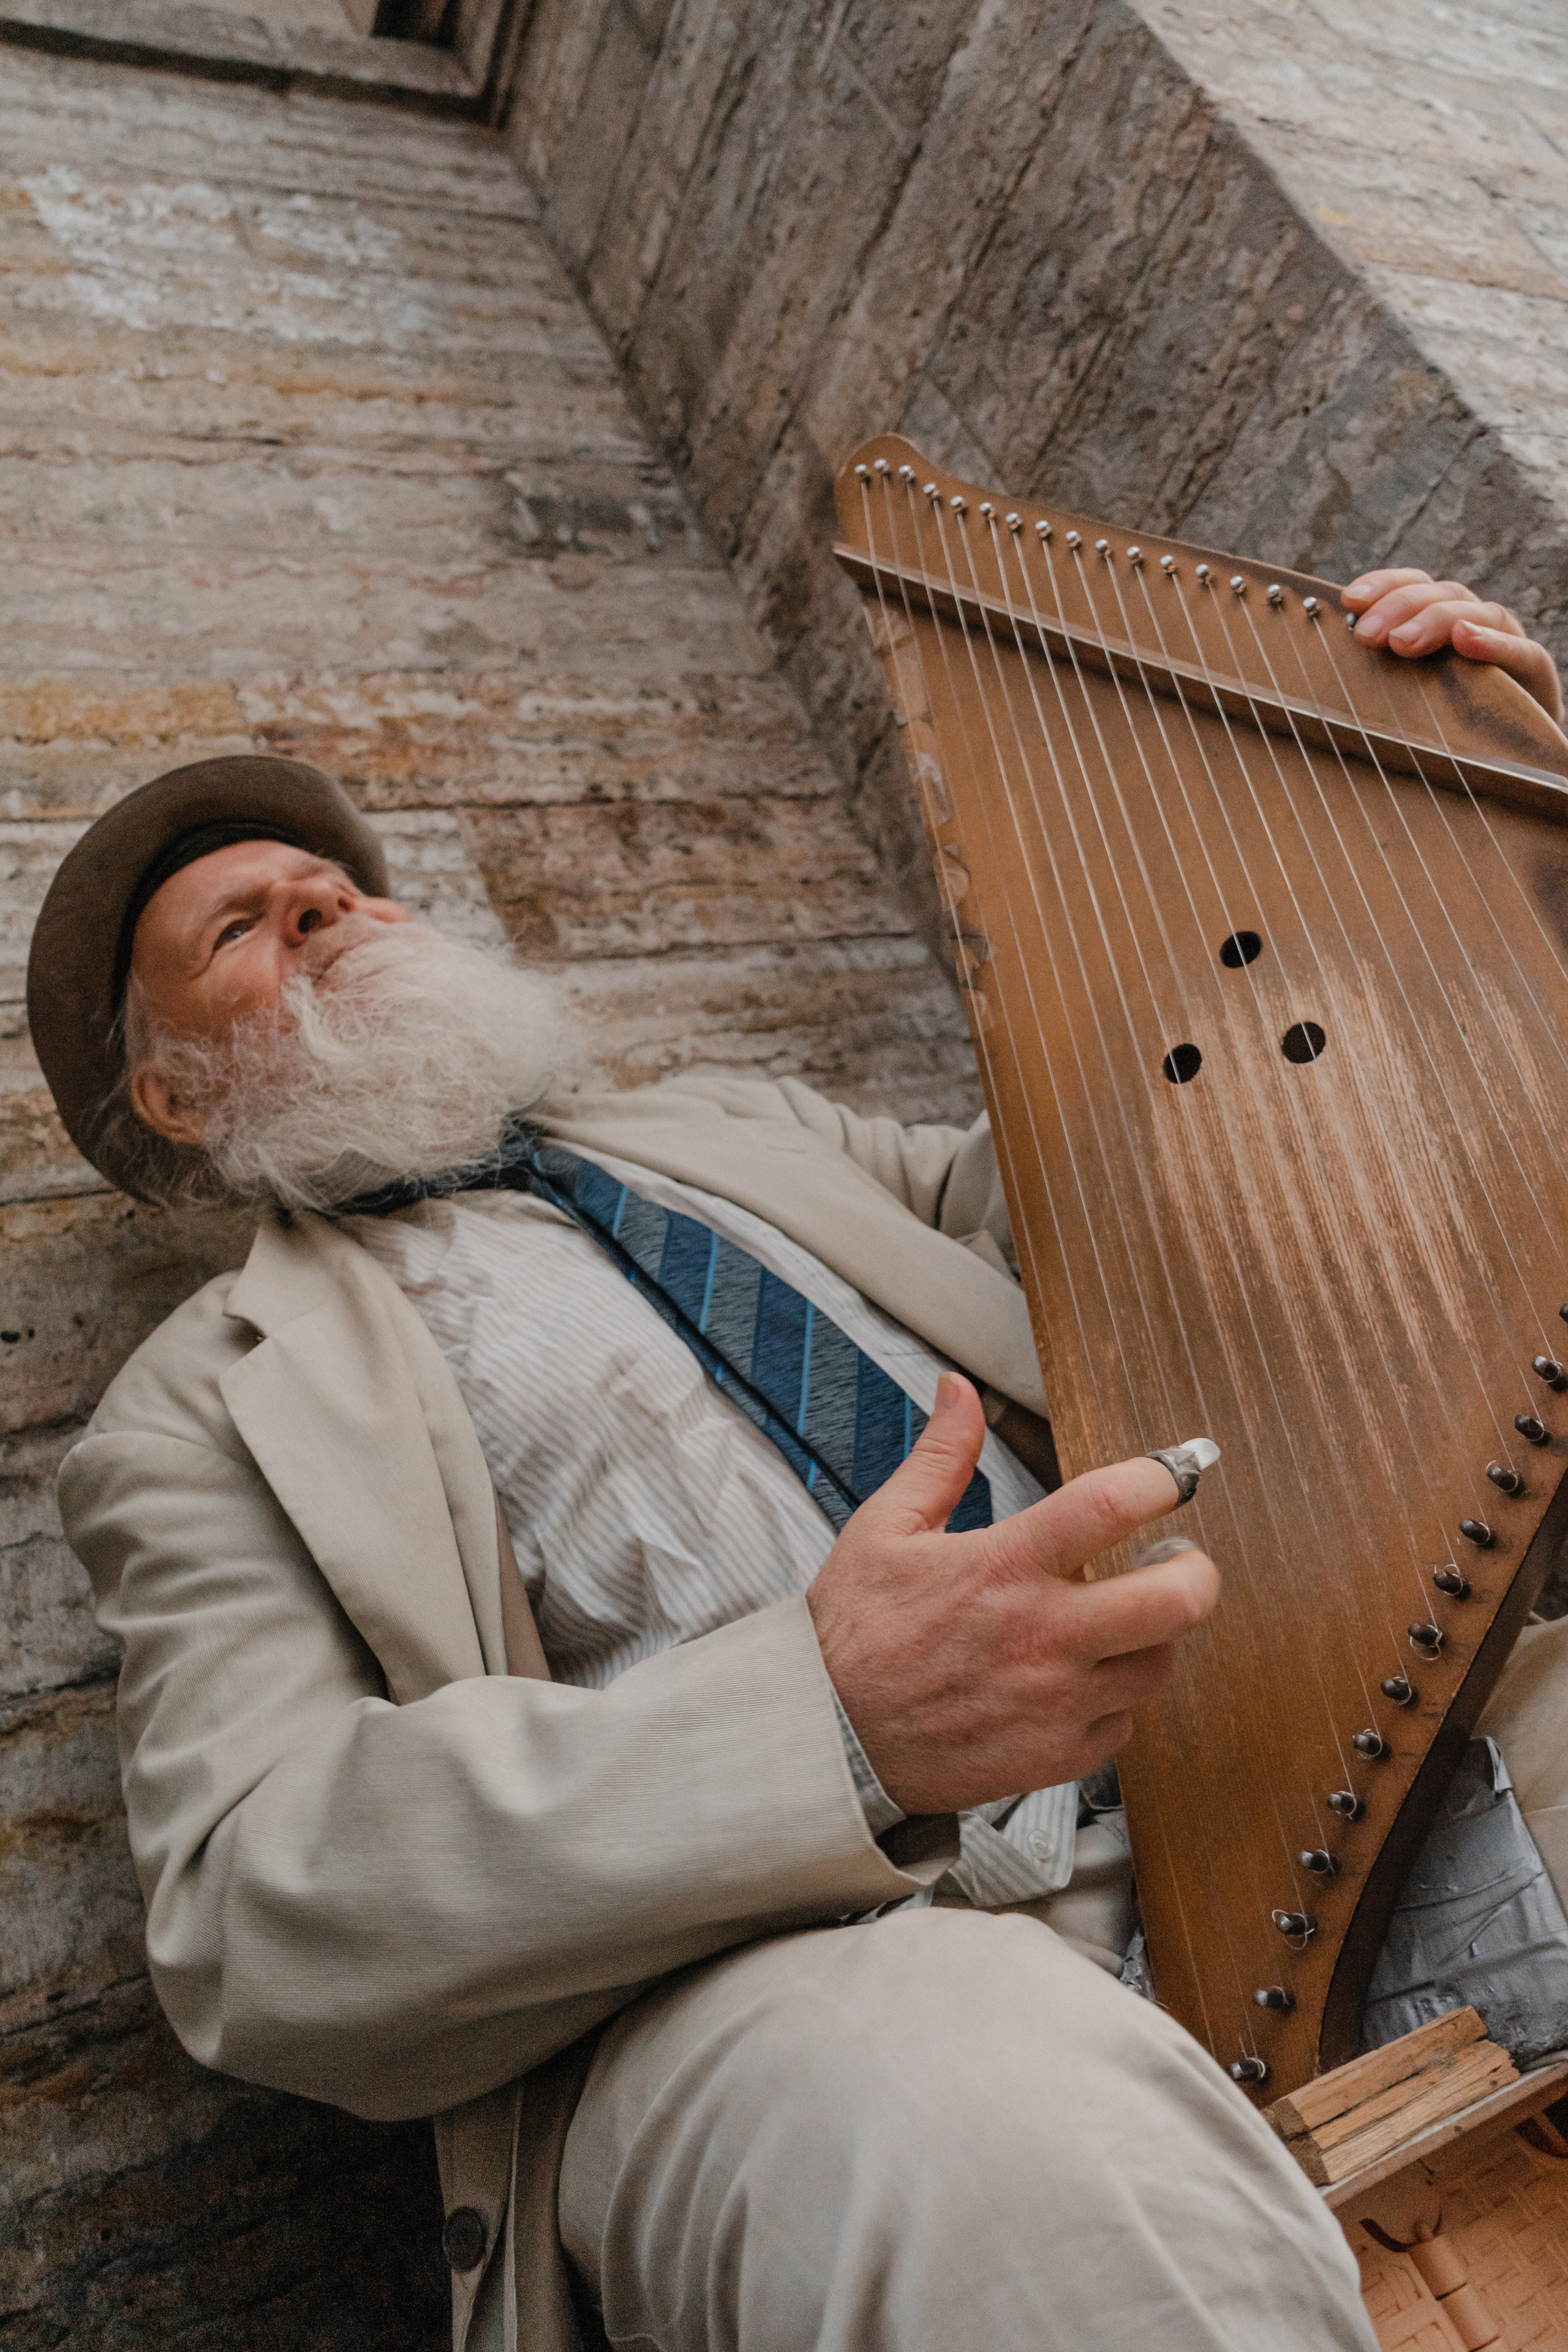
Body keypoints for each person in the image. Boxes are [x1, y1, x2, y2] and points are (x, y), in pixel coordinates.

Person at [26, 567, 1567, 2352]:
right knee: (980, 2154)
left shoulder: (730, 1130)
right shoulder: (203, 1404)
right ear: (178, 1100)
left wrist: (1438, 825)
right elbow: (251, 1915)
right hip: (810, 1974)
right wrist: (827, 1717)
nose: (331, 916)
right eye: (252, 931)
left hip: (1264, 1756)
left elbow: (1107, 1188)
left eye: (341, 892)